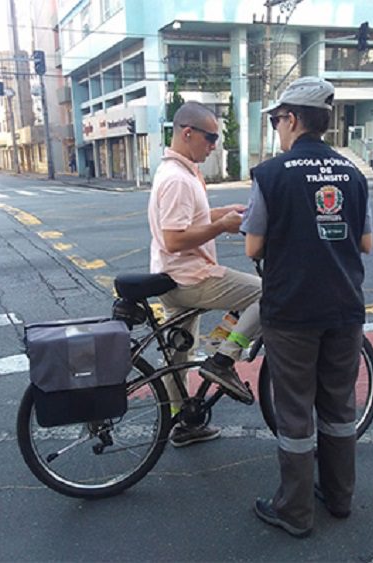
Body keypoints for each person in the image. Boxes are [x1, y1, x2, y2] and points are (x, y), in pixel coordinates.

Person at [243, 77, 373, 538]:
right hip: (344, 307)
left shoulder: (272, 175)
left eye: (278, 119)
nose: (278, 127)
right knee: (339, 406)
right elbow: (366, 242)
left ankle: (295, 511)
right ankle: (339, 497)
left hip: (293, 311)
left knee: (295, 411)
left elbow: (253, 246)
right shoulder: (353, 173)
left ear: (293, 119)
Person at [148, 101, 262, 447]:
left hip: (171, 276)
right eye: (210, 137)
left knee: (178, 355)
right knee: (268, 293)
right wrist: (222, 227)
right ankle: (225, 358)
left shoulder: (178, 173)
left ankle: (180, 423)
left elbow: (188, 219)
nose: (214, 145)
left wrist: (222, 213)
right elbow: (174, 238)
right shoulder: (178, 179)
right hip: (190, 276)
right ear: (187, 133)